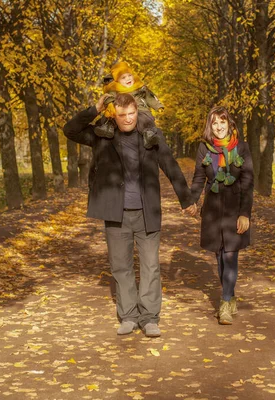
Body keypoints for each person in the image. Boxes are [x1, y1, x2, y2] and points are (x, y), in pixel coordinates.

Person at [64, 92, 192, 337]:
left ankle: (150, 318)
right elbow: (70, 130)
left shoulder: (151, 135)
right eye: (122, 115)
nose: (128, 119)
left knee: (150, 266)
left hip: (147, 212)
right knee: (121, 267)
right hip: (115, 213)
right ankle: (129, 316)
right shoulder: (102, 135)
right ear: (115, 114)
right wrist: (95, 109)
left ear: (137, 110)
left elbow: (170, 164)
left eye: (132, 113)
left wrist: (186, 199)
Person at [185, 106, 254, 325]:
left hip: (235, 210)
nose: (219, 126)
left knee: (230, 255)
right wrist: (192, 200)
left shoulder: (242, 148)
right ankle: (230, 295)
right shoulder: (204, 149)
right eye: (214, 123)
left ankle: (224, 304)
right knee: (219, 256)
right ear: (210, 126)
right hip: (213, 211)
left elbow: (247, 183)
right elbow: (198, 178)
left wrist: (245, 214)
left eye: (222, 122)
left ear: (230, 124)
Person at [94, 61, 163, 149]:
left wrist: (158, 106)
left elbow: (150, 96)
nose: (128, 79)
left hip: (140, 108)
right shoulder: (115, 89)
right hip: (121, 111)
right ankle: (107, 128)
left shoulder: (139, 87)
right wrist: (110, 104)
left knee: (145, 119)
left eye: (130, 75)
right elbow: (109, 97)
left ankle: (149, 134)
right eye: (123, 78)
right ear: (117, 81)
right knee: (111, 115)